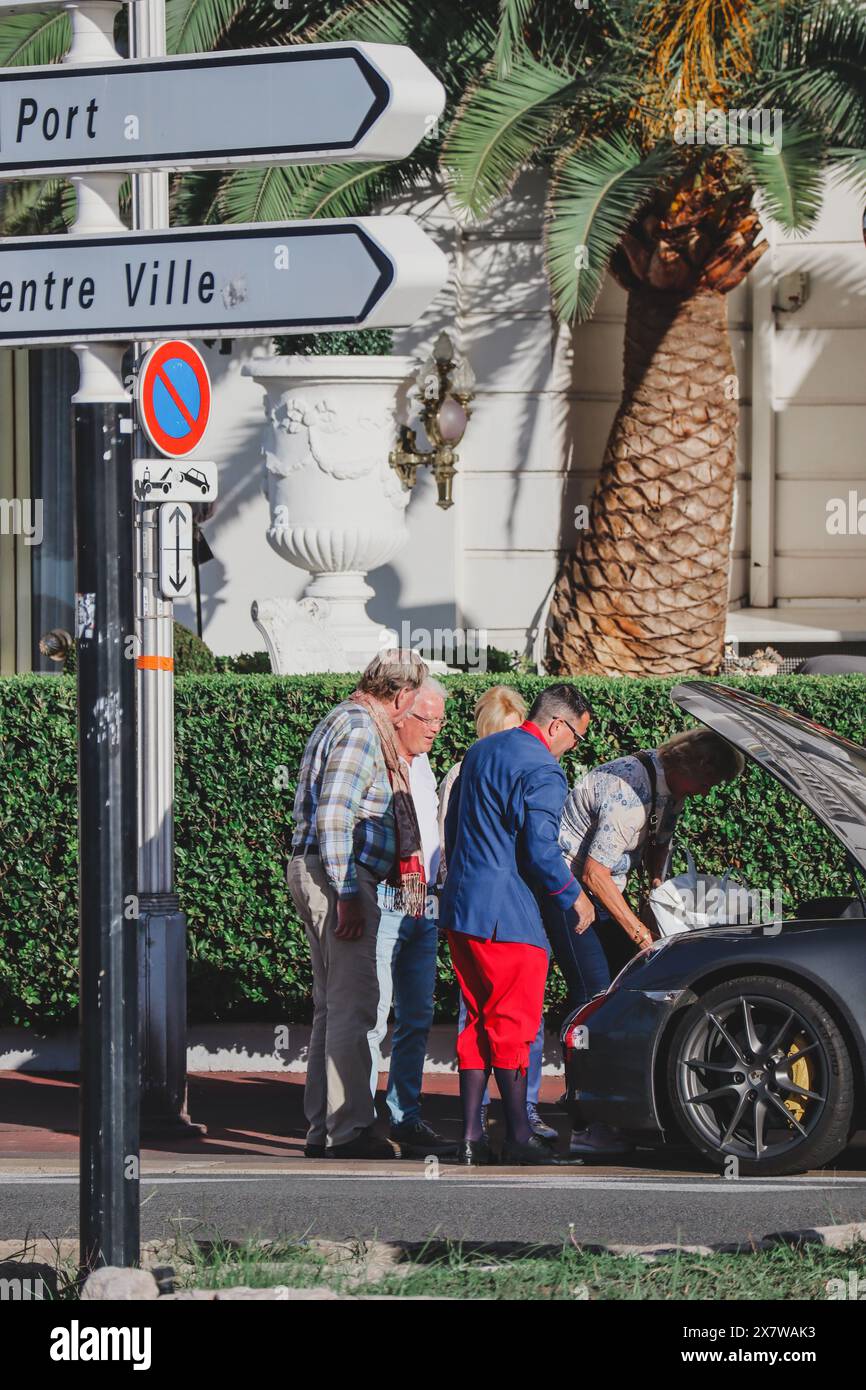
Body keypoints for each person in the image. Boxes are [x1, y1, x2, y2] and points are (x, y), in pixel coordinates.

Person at [551, 727, 745, 1157]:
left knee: (624, 993)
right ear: (695, 765)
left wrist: (657, 888)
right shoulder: (629, 793)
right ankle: (586, 1123)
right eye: (709, 782)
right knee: (593, 999)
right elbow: (594, 874)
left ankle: (609, 1109)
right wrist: (640, 932)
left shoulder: (668, 789)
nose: (707, 793)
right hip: (571, 896)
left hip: (603, 893)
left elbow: (659, 840)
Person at [439, 684, 595, 1165]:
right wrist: (576, 896)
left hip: (462, 909)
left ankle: (470, 1138)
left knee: (477, 1022)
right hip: (508, 916)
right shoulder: (545, 769)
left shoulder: (480, 751)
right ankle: (519, 1138)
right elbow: (541, 852)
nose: (574, 746)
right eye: (576, 735)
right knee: (514, 1026)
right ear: (556, 725)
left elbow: (453, 829)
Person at [287, 649, 428, 1160]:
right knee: (355, 1005)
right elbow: (334, 817)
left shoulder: (342, 719)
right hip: (337, 876)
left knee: (334, 1006)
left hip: (321, 871)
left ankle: (325, 1127)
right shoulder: (362, 729)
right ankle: (346, 1130)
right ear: (403, 695)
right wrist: (349, 893)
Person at [367, 678, 457, 1159]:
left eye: (441, 720)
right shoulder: (378, 760)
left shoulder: (422, 765)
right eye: (428, 719)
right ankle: (362, 1119)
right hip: (385, 899)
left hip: (422, 902)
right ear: (400, 713)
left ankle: (405, 1114)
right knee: (374, 1016)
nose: (436, 729)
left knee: (417, 1017)